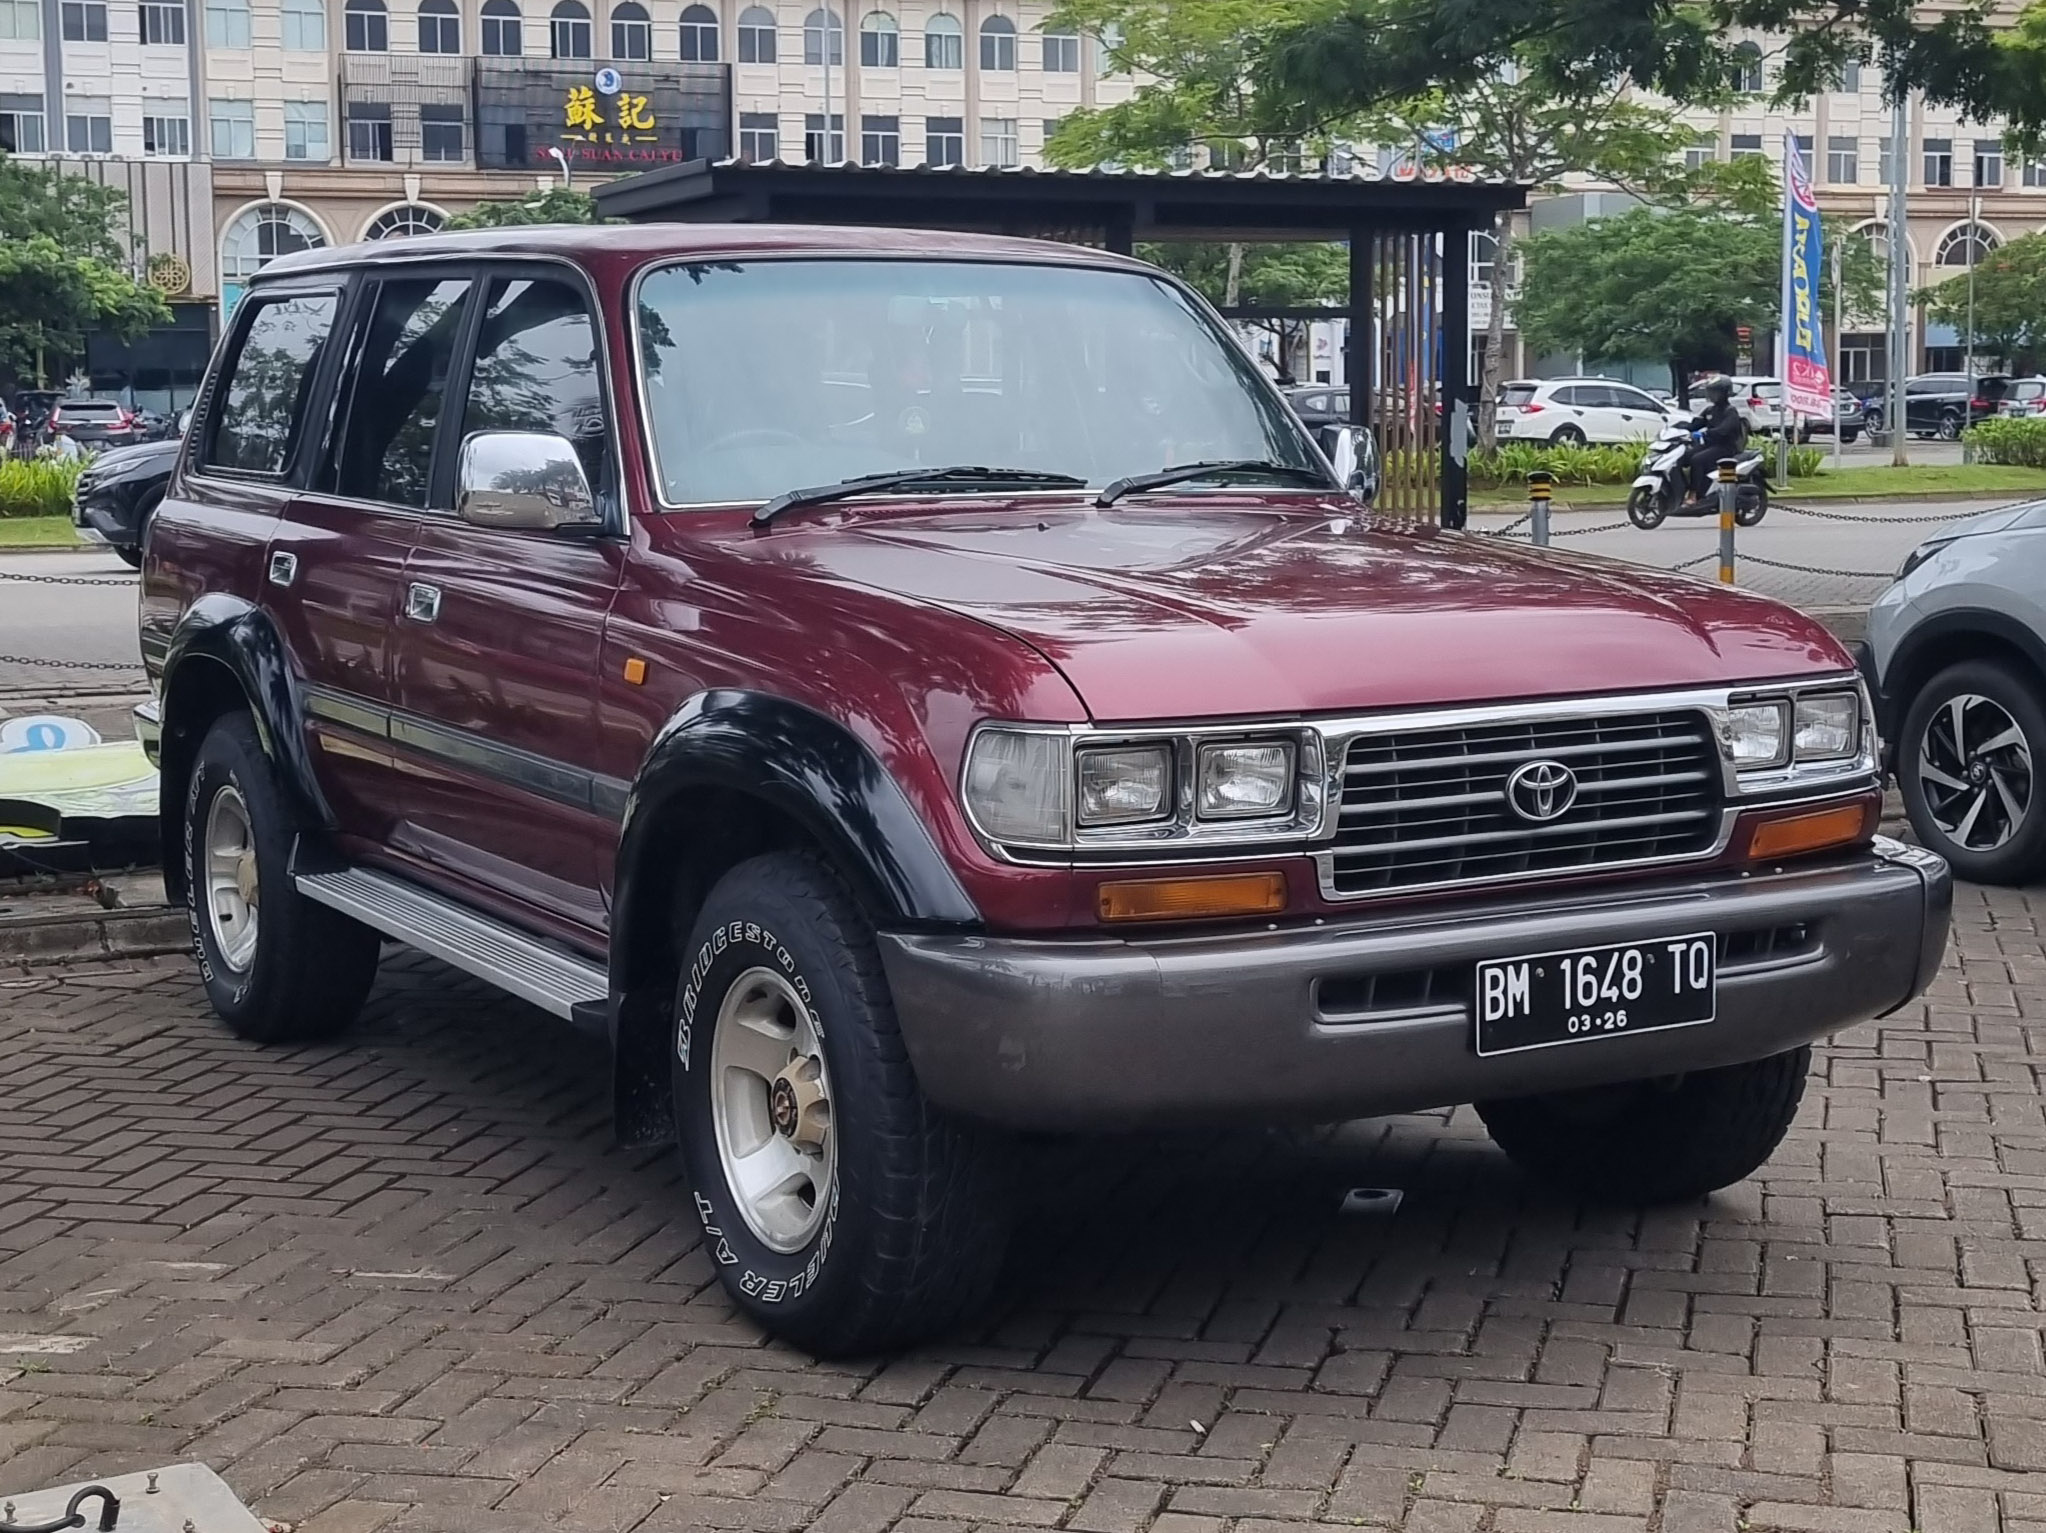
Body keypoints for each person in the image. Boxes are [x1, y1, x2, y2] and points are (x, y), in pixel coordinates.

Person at [1684, 378, 1748, 504]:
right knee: (1684, 456)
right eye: (1710, 392)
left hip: (1726, 447)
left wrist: (1705, 433)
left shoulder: (1730, 411)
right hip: (1710, 445)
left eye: (1715, 392)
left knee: (1697, 460)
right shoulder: (1710, 410)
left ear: (1724, 393)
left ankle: (1693, 494)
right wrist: (1677, 427)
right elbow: (1695, 424)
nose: (1711, 395)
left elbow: (1723, 430)